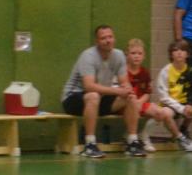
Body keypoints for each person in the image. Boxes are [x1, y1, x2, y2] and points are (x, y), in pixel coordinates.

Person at [60, 25, 143, 160]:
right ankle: (90, 144)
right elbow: (89, 86)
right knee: (93, 96)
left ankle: (132, 142)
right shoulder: (88, 56)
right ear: (97, 41)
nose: (108, 40)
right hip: (73, 98)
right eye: (103, 38)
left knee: (131, 97)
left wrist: (127, 90)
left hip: (100, 98)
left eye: (110, 37)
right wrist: (117, 90)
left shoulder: (119, 55)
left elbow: (124, 82)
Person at [125, 37, 178, 153]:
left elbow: (147, 93)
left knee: (160, 113)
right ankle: (131, 138)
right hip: (126, 104)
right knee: (132, 106)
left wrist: (139, 102)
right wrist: (134, 104)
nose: (136, 56)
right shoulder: (122, 71)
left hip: (140, 103)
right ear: (127, 55)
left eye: (140, 53)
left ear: (144, 56)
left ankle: (144, 136)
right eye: (133, 53)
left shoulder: (145, 72)